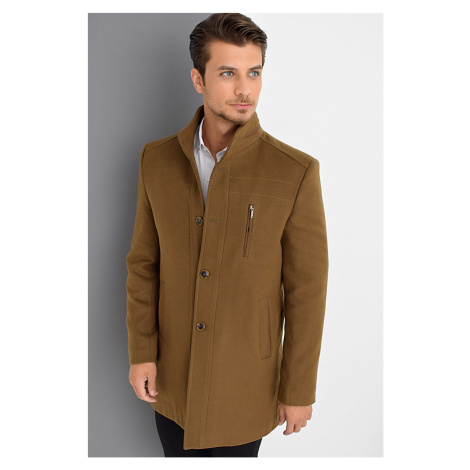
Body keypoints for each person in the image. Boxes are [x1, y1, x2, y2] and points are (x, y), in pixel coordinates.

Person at [126, 13, 329, 457]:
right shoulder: (156, 161)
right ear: (198, 80)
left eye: (254, 73)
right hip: (172, 379)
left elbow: (307, 290)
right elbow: (143, 264)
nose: (245, 89)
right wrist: (142, 352)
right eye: (228, 73)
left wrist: (298, 388)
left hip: (246, 384)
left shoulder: (294, 172)